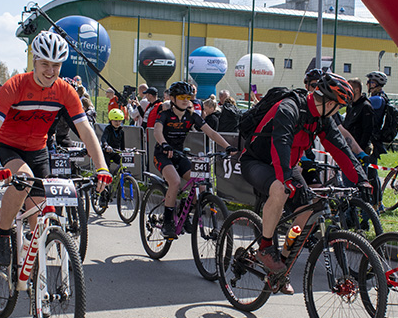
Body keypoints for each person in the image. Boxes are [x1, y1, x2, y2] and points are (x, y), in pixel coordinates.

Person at [0, 31, 112, 270]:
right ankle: (1, 233)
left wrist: (102, 166)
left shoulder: (64, 90)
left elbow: (85, 130)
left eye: (56, 65)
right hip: (8, 146)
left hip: (37, 149)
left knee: (40, 217)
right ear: (34, 61)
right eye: (45, 64)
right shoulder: (16, 85)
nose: (50, 71)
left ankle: (36, 284)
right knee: (24, 180)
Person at [240, 72, 371, 294]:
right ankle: (264, 248)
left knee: (305, 212)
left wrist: (362, 181)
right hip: (257, 161)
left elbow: (340, 149)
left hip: (286, 166)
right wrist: (286, 179)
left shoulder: (322, 118)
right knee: (280, 190)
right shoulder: (290, 107)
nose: (338, 112)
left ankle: (282, 264)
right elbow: (280, 142)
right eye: (338, 107)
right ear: (329, 103)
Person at [153, 81, 234, 240]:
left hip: (179, 154)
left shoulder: (192, 116)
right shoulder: (165, 115)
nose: (185, 100)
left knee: (201, 185)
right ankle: (168, 222)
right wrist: (164, 144)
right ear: (174, 98)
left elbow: (211, 133)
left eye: (188, 97)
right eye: (181, 97)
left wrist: (228, 146)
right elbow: (157, 131)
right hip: (163, 154)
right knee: (175, 182)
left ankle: (184, 212)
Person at [342, 77, 375, 154]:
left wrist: (360, 150)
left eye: (349, 88)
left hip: (359, 148)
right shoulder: (350, 106)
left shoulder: (365, 106)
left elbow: (367, 130)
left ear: (357, 89)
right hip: (348, 145)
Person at [366, 70, 390, 162]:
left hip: (372, 135)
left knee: (370, 169)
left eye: (371, 82)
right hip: (374, 135)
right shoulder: (382, 97)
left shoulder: (377, 99)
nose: (368, 84)